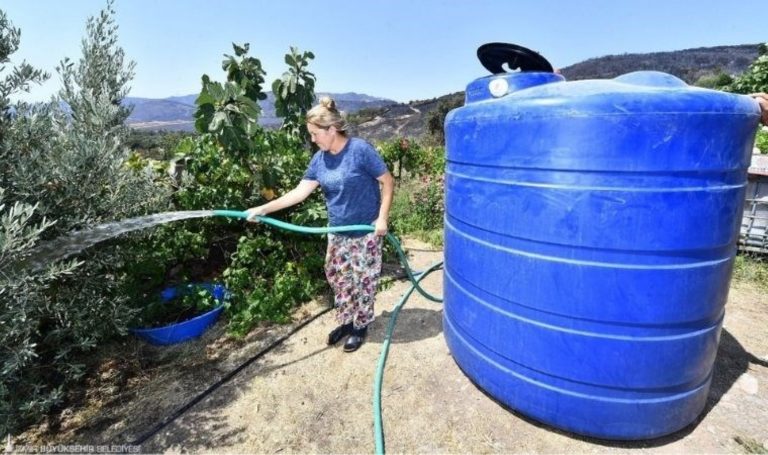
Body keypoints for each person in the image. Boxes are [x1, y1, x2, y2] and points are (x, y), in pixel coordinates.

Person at [244, 96, 394, 353]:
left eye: (315, 134)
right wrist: (263, 208)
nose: (313, 140)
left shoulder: (359, 150)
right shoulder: (319, 160)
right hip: (336, 232)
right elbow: (299, 193)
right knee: (337, 277)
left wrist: (382, 217)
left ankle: (360, 325)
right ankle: (346, 321)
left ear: (331, 130)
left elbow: (388, 182)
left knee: (362, 281)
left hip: (365, 232)